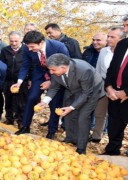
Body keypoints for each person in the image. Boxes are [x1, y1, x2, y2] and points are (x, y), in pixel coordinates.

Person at [36, 53, 102, 154]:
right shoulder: (55, 71)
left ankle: (81, 147)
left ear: (63, 67)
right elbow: (54, 87)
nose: (51, 72)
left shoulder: (83, 70)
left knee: (83, 117)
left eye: (53, 70)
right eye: (50, 69)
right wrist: (45, 101)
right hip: (72, 89)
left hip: (91, 91)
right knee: (68, 115)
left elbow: (86, 93)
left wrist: (72, 107)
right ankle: (71, 139)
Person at [11, 31, 69, 139]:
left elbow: (64, 66)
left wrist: (52, 81)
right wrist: (19, 82)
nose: (29, 49)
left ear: (41, 42)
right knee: (31, 98)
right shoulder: (26, 48)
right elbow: (25, 66)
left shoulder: (59, 47)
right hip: (39, 75)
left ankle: (51, 131)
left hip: (56, 76)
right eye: (28, 47)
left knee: (54, 103)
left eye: (32, 47)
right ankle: (25, 126)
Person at [90, 26, 126, 143]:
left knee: (119, 117)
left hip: (122, 88)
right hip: (105, 85)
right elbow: (99, 70)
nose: (108, 39)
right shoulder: (104, 51)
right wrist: (104, 86)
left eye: (112, 37)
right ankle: (96, 136)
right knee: (99, 112)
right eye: (108, 36)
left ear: (121, 39)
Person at [103, 19, 128, 155]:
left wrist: (126, 92)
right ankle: (111, 153)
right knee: (114, 127)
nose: (125, 29)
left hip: (126, 95)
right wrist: (109, 87)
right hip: (114, 95)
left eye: (127, 26)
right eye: (124, 25)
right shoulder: (122, 44)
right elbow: (111, 69)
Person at [0, 31, 29, 128]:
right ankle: (9, 119)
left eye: (16, 41)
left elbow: (30, 65)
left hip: (21, 81)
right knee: (8, 101)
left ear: (21, 39)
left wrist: (29, 79)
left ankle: (21, 121)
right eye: (11, 41)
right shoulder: (5, 50)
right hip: (8, 80)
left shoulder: (27, 49)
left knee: (21, 103)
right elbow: (2, 65)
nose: (14, 43)